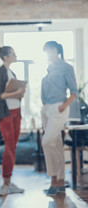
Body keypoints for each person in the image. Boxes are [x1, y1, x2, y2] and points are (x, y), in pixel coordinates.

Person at [41, 41, 78, 196]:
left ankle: (54, 180)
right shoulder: (49, 69)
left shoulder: (66, 67)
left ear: (58, 51)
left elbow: (74, 92)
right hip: (46, 109)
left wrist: (63, 106)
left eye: (51, 50)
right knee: (55, 144)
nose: (49, 53)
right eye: (46, 50)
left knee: (46, 141)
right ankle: (60, 182)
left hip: (59, 108)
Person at [0, 46, 26, 196]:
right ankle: (5, 184)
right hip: (5, 113)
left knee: (13, 147)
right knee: (9, 146)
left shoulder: (12, 73)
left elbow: (12, 94)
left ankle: (9, 182)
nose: (16, 55)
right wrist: (16, 92)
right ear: (6, 57)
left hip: (16, 112)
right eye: (13, 53)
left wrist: (19, 94)